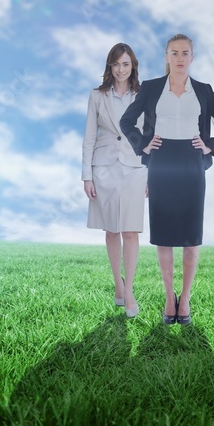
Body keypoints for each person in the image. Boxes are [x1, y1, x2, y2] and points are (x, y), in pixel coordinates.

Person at [120, 34, 214, 325]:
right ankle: (168, 296)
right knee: (164, 236)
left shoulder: (204, 90)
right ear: (166, 56)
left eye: (186, 53)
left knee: (190, 236)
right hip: (161, 161)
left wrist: (210, 146)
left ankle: (185, 298)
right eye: (174, 53)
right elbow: (126, 121)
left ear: (192, 57)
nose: (180, 58)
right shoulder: (150, 88)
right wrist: (142, 146)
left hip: (191, 161)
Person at [82, 43, 146, 318]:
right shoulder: (97, 96)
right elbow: (89, 137)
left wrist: (151, 175)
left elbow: (151, 136)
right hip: (104, 166)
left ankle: (128, 289)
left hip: (135, 166)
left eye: (126, 64)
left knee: (131, 230)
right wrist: (87, 175)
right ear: (110, 66)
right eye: (116, 64)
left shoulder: (144, 96)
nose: (121, 70)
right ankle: (117, 283)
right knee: (111, 230)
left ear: (133, 66)